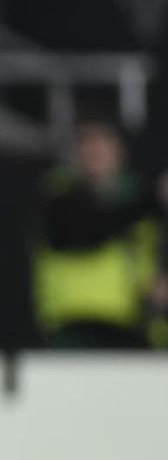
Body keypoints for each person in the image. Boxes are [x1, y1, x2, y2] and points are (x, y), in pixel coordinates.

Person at [34, 119, 168, 349]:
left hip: (136, 327)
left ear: (121, 151)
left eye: (104, 141)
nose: (95, 150)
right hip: (77, 326)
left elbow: (145, 262)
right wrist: (153, 200)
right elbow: (84, 232)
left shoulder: (137, 200)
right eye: (86, 142)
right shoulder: (59, 194)